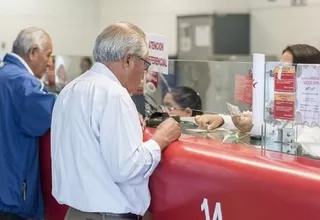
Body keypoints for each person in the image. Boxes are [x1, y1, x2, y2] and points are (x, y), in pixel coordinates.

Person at [50, 22, 181, 220]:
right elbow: (127, 168)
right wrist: (161, 139)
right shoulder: (114, 94)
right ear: (128, 59)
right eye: (145, 64)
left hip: (75, 213)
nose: (144, 73)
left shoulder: (71, 88)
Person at [195, 44, 320, 134]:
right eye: (279, 68)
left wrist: (258, 128)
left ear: (306, 74)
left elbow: (306, 139)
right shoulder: (282, 100)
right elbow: (255, 117)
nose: (278, 74)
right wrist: (221, 120)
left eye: (285, 69)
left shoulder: (314, 106)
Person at [0, 27, 56, 220]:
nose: (50, 63)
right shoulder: (24, 84)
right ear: (33, 52)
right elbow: (56, 114)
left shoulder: (4, 76)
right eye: (48, 55)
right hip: (14, 197)